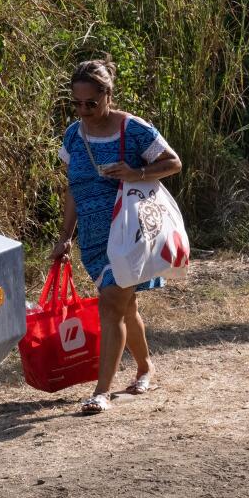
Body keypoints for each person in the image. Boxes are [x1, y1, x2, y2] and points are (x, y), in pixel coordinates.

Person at [49, 59, 184, 415]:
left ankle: (101, 392)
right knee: (125, 305)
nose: (83, 111)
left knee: (110, 305)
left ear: (107, 95)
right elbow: (73, 189)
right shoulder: (73, 134)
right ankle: (145, 367)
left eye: (90, 103)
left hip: (128, 234)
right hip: (93, 236)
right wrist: (66, 237)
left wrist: (136, 172)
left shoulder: (132, 129)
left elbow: (173, 162)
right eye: (76, 103)